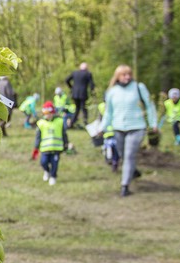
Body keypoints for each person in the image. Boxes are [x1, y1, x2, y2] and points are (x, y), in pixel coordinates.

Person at [100, 65, 158, 197]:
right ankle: (133, 171)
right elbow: (108, 112)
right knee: (122, 155)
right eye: (124, 75)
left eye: (129, 74)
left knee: (129, 155)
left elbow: (149, 106)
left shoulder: (139, 87)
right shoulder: (112, 91)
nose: (127, 77)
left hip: (136, 127)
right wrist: (102, 128)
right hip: (118, 127)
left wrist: (153, 123)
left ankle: (124, 185)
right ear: (118, 76)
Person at [32, 101, 68, 186]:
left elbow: (64, 134)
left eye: (49, 113)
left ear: (53, 113)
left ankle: (53, 176)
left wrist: (66, 143)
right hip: (45, 148)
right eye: (46, 114)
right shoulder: (41, 123)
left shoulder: (60, 121)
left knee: (54, 163)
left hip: (57, 148)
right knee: (43, 162)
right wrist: (36, 148)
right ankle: (47, 171)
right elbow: (38, 137)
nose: (48, 115)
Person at [65, 61, 95, 128]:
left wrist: (71, 87)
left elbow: (67, 80)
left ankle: (72, 123)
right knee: (83, 108)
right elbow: (91, 84)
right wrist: (92, 92)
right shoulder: (88, 74)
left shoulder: (75, 73)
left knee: (77, 109)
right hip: (83, 93)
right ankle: (85, 122)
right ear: (86, 68)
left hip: (75, 94)